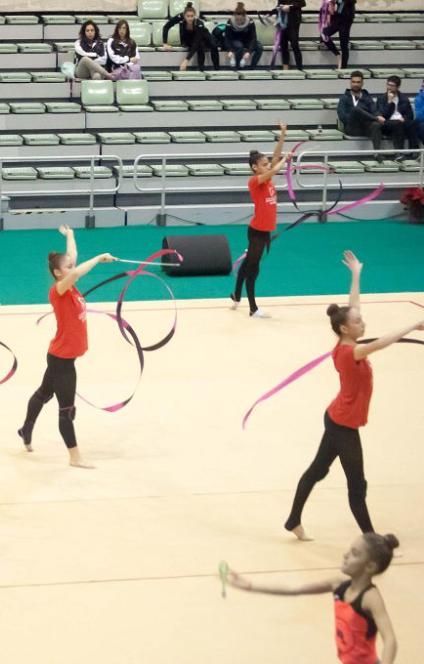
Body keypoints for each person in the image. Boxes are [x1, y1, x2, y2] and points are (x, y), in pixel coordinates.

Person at [284, 251, 424, 541]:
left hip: (338, 417)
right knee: (357, 485)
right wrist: (411, 325)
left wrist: (356, 274)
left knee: (318, 470)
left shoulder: (347, 340)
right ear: (346, 329)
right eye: (359, 323)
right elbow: (384, 342)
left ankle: (292, 520)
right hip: (343, 425)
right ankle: (373, 541)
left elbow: (354, 306)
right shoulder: (352, 352)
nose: (364, 324)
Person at [18, 226, 116, 468]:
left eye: (72, 265)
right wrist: (99, 258)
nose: (73, 268)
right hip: (62, 360)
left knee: (44, 393)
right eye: (68, 267)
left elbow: (73, 260)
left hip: (60, 356)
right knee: (67, 409)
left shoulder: (69, 285)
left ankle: (25, 429)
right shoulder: (59, 290)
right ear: (57, 273)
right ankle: (75, 457)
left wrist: (70, 235)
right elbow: (76, 271)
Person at [225, 533, 399, 664]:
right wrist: (250, 585)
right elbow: (295, 590)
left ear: (370, 566)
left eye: (354, 554)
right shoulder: (339, 585)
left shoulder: (370, 598)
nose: (345, 555)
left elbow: (390, 639)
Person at [232, 121, 289, 319]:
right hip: (256, 231)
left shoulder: (268, 178)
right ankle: (253, 308)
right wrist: (284, 162)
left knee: (249, 263)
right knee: (253, 269)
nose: (268, 166)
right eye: (263, 165)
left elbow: (275, 159)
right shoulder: (255, 181)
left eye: (267, 164)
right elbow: (275, 168)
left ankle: (236, 295)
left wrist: (282, 135)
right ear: (255, 168)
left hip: (265, 231)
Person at [337, 72, 384, 159]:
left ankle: (377, 153)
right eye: (353, 82)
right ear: (350, 83)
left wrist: (376, 115)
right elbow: (342, 116)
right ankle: (375, 119)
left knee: (376, 125)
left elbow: (374, 110)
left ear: (362, 83)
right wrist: (355, 116)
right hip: (351, 127)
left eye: (358, 82)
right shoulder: (344, 98)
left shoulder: (367, 97)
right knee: (355, 109)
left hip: (365, 126)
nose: (355, 84)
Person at [162, 2, 219, 72]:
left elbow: (196, 42)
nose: (190, 18)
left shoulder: (199, 23)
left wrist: (186, 60)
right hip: (189, 38)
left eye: (192, 16)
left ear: (194, 16)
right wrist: (165, 43)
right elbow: (166, 26)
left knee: (213, 45)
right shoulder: (180, 17)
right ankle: (201, 70)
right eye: (188, 16)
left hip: (203, 35)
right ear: (184, 16)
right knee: (200, 46)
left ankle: (217, 69)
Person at [375, 75, 414, 158]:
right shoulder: (381, 99)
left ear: (398, 87)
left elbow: (410, 114)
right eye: (388, 85)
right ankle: (399, 153)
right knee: (397, 124)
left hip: (401, 122)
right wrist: (389, 102)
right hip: (386, 123)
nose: (389, 87)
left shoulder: (403, 99)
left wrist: (405, 118)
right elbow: (383, 115)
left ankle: (413, 151)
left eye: (392, 86)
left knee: (413, 124)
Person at [223, 3, 263, 69]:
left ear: (244, 17)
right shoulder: (230, 22)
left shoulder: (250, 22)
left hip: (247, 41)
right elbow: (227, 37)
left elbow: (253, 37)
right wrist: (229, 50)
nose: (238, 22)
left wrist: (249, 52)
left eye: (240, 20)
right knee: (239, 46)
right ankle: (237, 67)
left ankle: (252, 67)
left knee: (259, 47)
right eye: (237, 20)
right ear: (234, 16)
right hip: (235, 40)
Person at [322, 0, 356, 69]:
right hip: (337, 18)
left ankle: (343, 68)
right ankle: (337, 54)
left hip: (346, 19)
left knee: (343, 44)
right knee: (324, 34)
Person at [274, 0, 306, 70]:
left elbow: (303, 3)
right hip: (283, 22)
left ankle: (299, 68)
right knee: (283, 45)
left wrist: (290, 7)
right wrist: (277, 9)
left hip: (293, 22)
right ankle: (285, 68)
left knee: (294, 44)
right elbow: (279, 4)